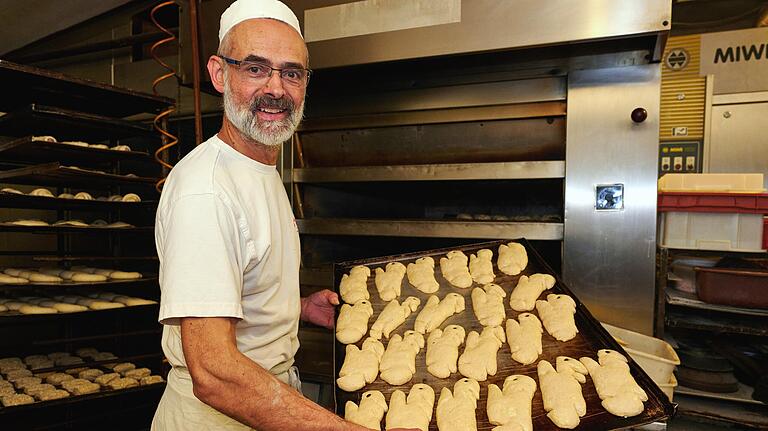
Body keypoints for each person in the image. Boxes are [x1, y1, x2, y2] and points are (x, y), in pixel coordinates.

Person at [151, 1, 416, 430]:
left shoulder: (259, 167)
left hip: (264, 403)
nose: (276, 89)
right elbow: (213, 372)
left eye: (291, 73)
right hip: (218, 417)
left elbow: (231, 288)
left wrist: (294, 308)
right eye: (255, 69)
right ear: (219, 74)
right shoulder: (206, 190)